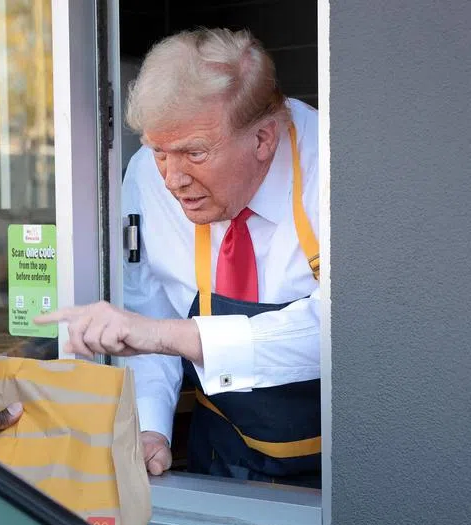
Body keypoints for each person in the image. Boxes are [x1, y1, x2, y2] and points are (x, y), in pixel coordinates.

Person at [37, 28, 322, 488]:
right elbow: (150, 312)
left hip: (340, 469)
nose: (172, 179)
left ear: (264, 139)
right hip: (223, 451)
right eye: (158, 152)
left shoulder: (333, 170)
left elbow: (341, 331)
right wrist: (151, 427)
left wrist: (166, 334)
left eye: (194, 153)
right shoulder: (147, 178)